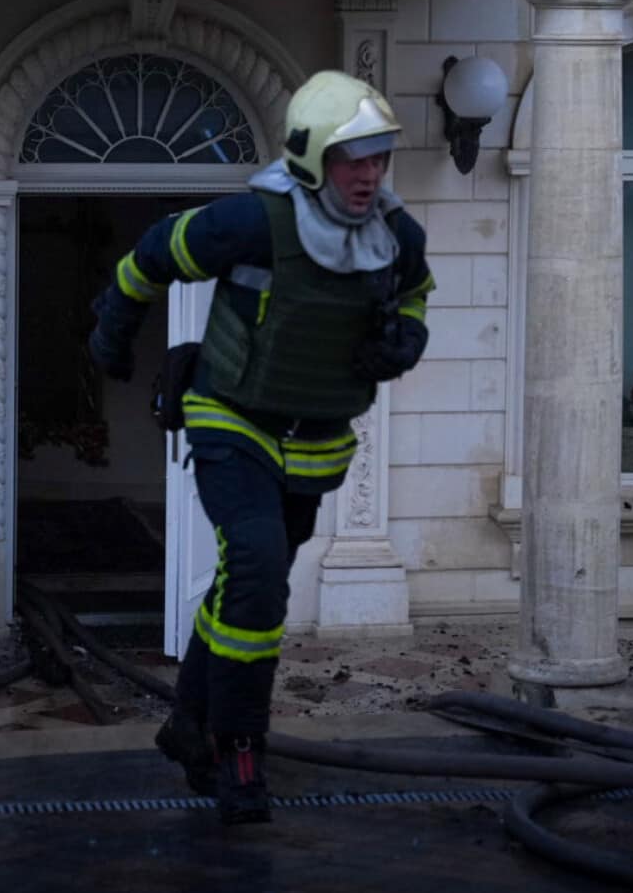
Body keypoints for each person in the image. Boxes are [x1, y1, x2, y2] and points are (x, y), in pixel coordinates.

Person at [87, 69, 433, 825]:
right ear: (313, 158)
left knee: (246, 587)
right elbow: (149, 256)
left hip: (315, 443)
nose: (368, 175)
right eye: (353, 160)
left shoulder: (398, 237)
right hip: (229, 421)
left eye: (378, 159)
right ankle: (239, 749)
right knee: (259, 575)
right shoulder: (249, 223)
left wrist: (404, 339)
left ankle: (187, 724)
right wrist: (112, 335)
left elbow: (414, 295)